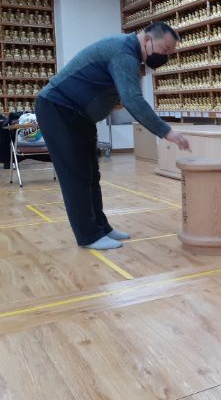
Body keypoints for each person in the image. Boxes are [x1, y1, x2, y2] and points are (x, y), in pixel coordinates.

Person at [35, 22, 190, 250]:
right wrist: (166, 131)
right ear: (148, 39)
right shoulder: (124, 53)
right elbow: (133, 99)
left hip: (78, 115)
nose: (165, 56)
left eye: (170, 53)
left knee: (91, 174)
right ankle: (88, 236)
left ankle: (101, 228)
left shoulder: (128, 52)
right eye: (165, 49)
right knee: (76, 176)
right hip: (58, 109)